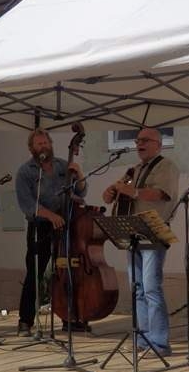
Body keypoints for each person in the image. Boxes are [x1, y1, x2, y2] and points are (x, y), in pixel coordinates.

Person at [102, 128, 179, 357]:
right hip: (133, 231)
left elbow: (161, 194)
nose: (139, 144)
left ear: (159, 144)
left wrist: (132, 191)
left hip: (153, 230)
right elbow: (113, 196)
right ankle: (143, 340)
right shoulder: (133, 170)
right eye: (137, 140)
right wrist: (111, 192)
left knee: (151, 287)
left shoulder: (166, 166)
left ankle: (160, 343)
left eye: (145, 140)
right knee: (137, 288)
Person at [15, 128, 88, 336]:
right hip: (40, 226)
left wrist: (79, 174)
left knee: (66, 271)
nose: (44, 146)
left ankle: (69, 317)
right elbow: (28, 204)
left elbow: (81, 191)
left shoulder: (63, 166)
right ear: (32, 148)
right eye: (39, 144)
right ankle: (25, 321)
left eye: (46, 142)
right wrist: (50, 215)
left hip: (66, 223)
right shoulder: (26, 171)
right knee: (35, 273)